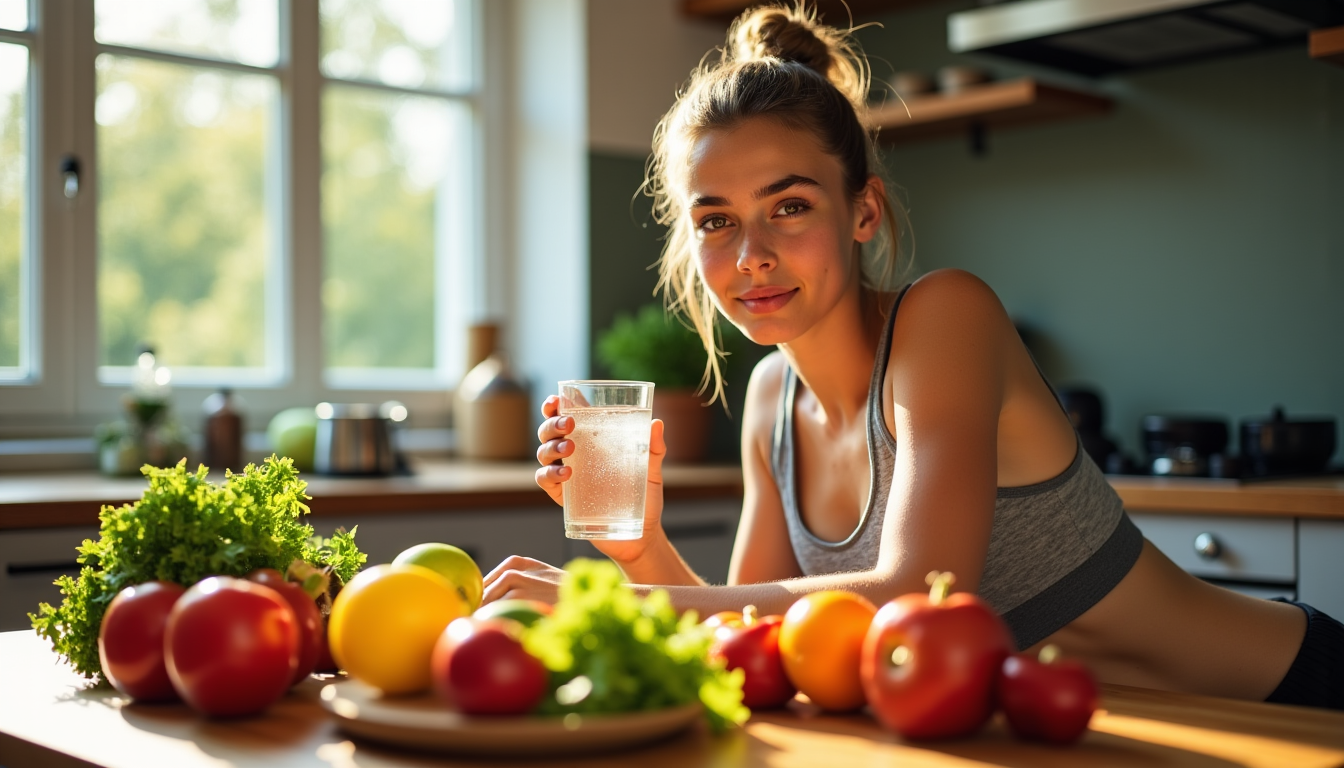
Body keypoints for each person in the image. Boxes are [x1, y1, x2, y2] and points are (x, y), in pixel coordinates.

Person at [483, 3, 1342, 709]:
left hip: (1287, 695)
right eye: (715, 220)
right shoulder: (771, 398)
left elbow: (918, 595)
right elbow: (755, 651)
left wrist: (618, 601)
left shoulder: (945, 318)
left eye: (788, 206)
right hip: (1099, 733)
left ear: (863, 211)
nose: (749, 254)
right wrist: (640, 551)